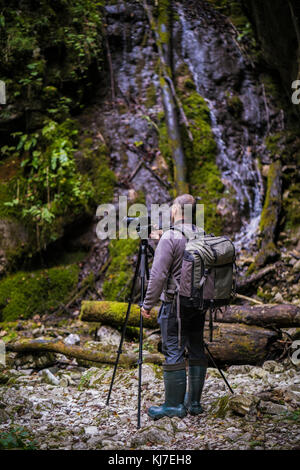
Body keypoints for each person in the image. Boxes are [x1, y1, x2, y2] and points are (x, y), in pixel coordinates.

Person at [141, 194, 207, 420]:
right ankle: (194, 403)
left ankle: (173, 406)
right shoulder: (202, 234)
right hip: (199, 303)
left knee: (173, 348)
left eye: (172, 208)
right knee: (197, 347)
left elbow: (158, 274)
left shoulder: (171, 236)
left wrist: (147, 304)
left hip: (175, 303)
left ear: (178, 210)